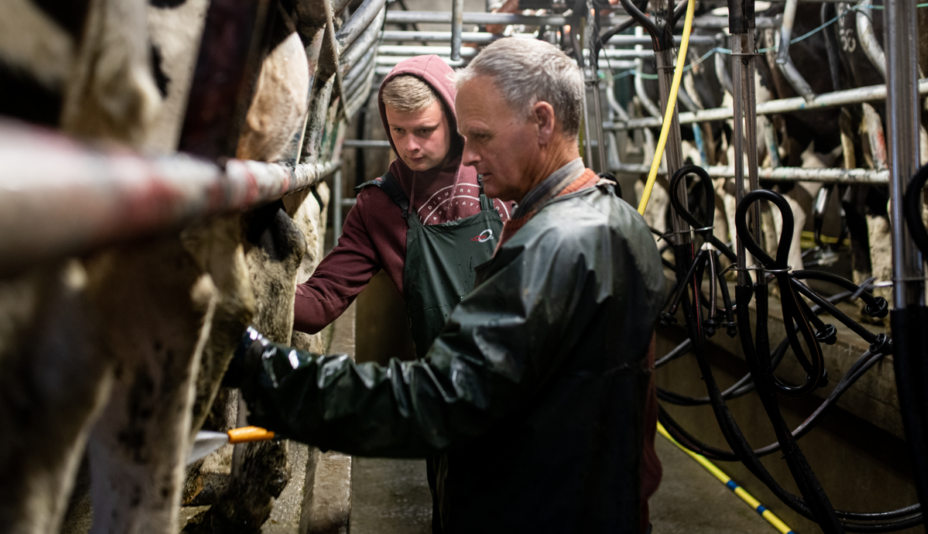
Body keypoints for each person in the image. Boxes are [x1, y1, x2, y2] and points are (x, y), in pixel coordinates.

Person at [226, 38, 666, 533]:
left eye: (479, 136)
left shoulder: (552, 245)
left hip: (529, 497)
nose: (470, 155)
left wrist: (260, 367)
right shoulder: (617, 219)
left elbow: (437, 398)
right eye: (401, 132)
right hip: (582, 487)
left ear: (543, 122)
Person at [293, 54, 511, 355]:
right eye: (398, 130)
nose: (410, 146)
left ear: (453, 118)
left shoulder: (503, 172)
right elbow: (322, 300)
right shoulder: (379, 206)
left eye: (424, 130)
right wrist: (252, 287)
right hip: (449, 382)